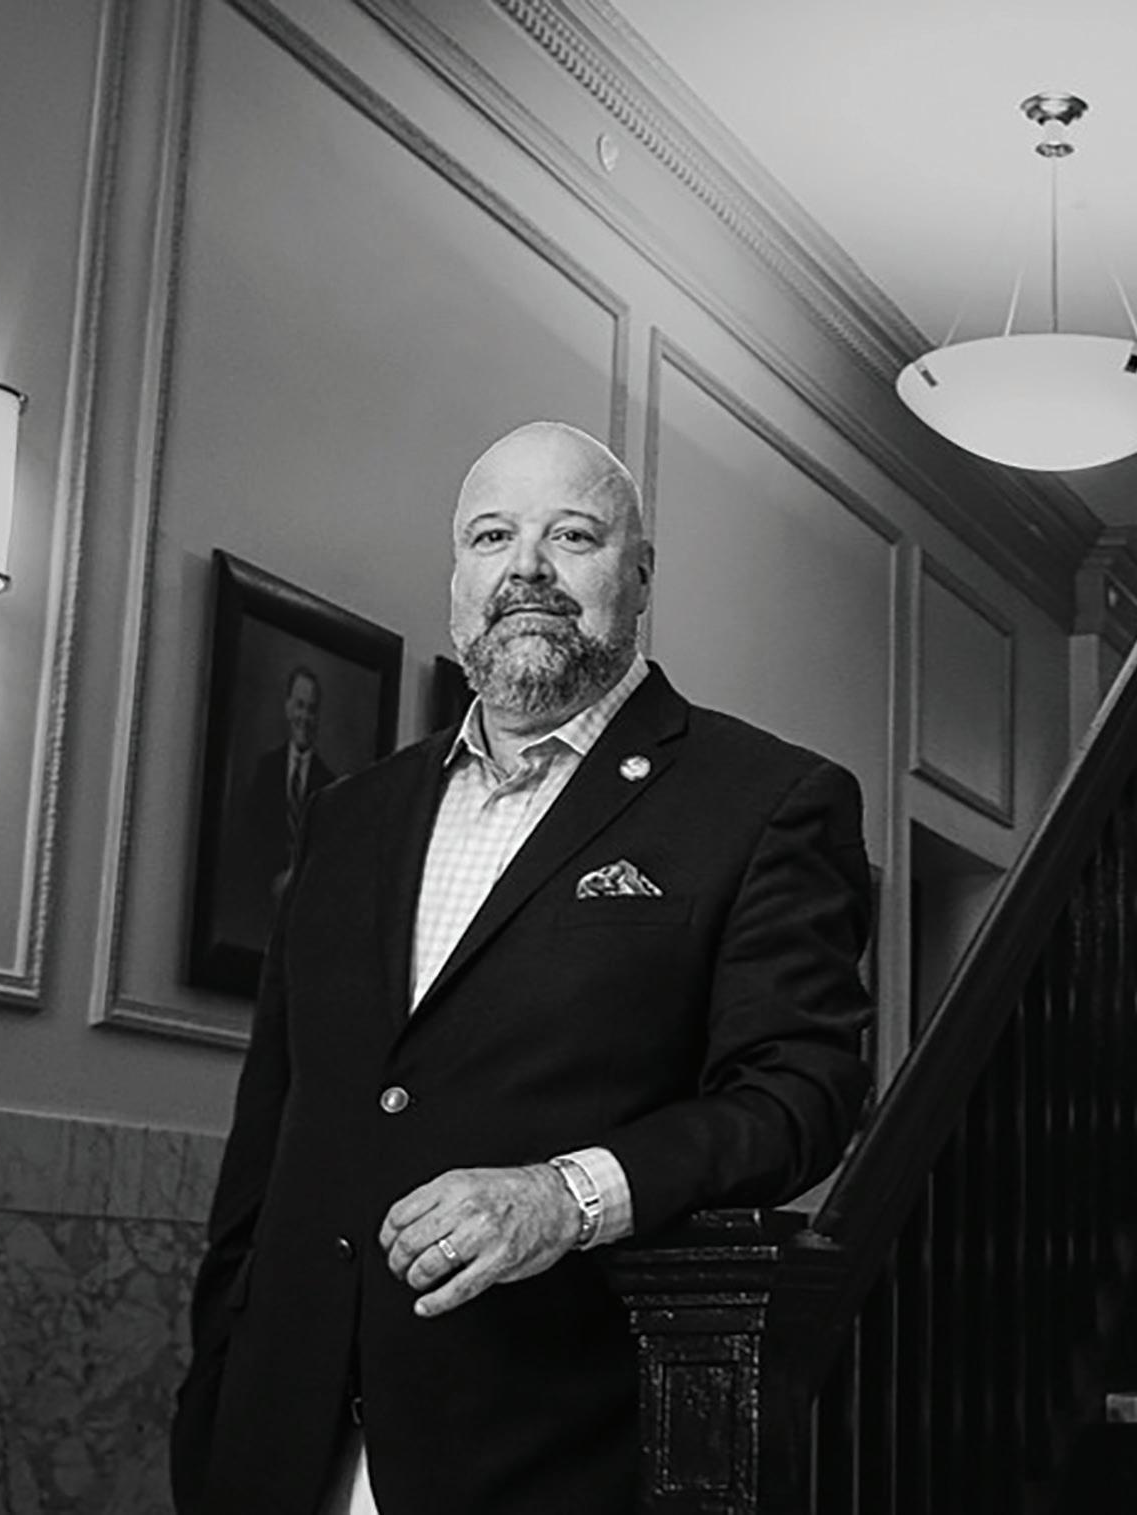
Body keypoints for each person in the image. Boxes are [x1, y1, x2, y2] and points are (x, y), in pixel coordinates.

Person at [172, 421, 874, 1515]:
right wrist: (213, 1397)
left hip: (550, 1449)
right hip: (281, 1445)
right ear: (458, 579)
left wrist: (567, 1195)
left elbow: (799, 1096)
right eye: (492, 536)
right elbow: (267, 1138)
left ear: (640, 575)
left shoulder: (767, 801)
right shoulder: (350, 817)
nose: (528, 569)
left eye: (574, 535)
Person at [227, 664, 336, 946]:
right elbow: (249, 842)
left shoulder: (331, 785)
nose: (305, 717)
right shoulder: (265, 770)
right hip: (258, 911)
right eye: (299, 706)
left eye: (312, 709)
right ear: (288, 708)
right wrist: (273, 879)